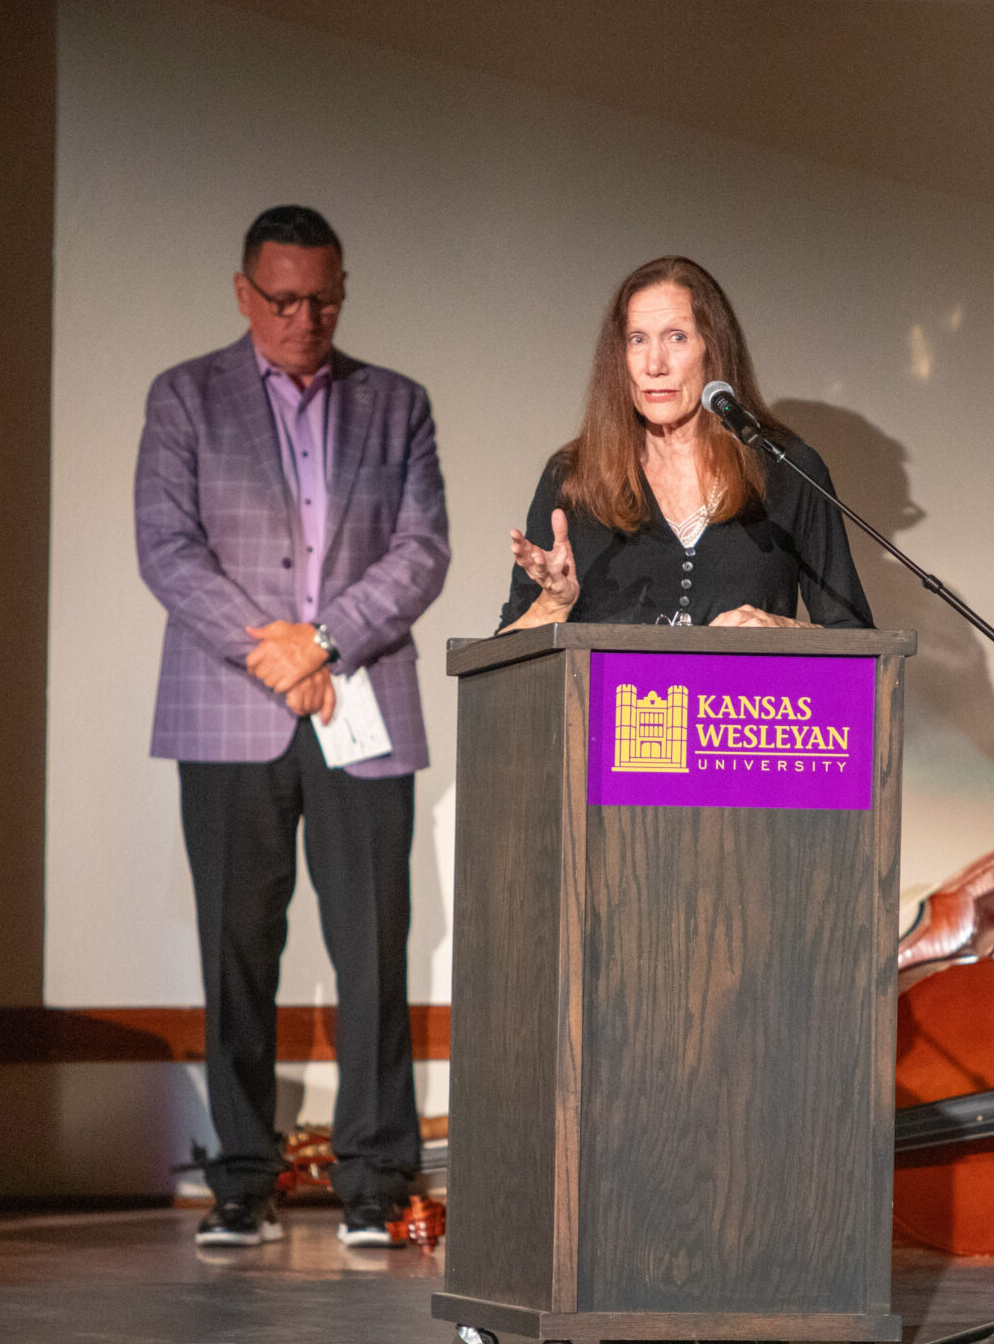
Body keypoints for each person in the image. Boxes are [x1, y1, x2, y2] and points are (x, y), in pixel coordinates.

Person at [136, 205, 450, 1250]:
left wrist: (322, 643)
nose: (303, 319)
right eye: (282, 300)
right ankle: (241, 1178)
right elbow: (167, 546)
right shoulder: (185, 396)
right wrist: (271, 652)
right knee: (236, 949)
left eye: (322, 300)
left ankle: (374, 1181)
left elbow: (421, 549)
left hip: (362, 699)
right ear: (244, 293)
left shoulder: (397, 402)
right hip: (230, 709)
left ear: (342, 292)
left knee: (374, 948)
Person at [500, 255, 874, 632]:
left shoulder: (788, 471)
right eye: (637, 340)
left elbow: (856, 639)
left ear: (714, 349)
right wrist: (552, 605)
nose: (654, 365)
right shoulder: (573, 476)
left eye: (676, 337)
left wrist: (784, 631)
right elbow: (502, 653)